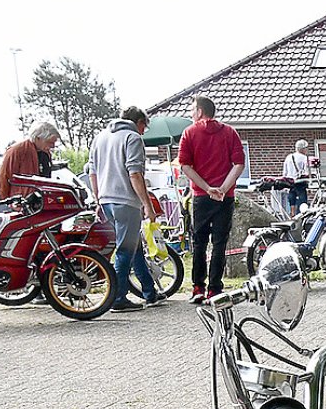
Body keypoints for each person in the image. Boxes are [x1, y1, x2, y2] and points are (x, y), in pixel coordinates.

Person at [88, 106, 164, 312]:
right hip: (125, 201)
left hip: (106, 200)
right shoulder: (132, 138)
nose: (143, 132)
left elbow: (92, 172)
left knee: (134, 246)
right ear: (139, 122)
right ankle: (118, 297)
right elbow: (135, 174)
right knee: (124, 250)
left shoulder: (100, 137)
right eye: (144, 128)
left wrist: (98, 199)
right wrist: (147, 205)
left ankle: (149, 292)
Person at [176, 95, 245, 304]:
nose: (190, 114)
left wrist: (206, 188)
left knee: (199, 242)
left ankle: (198, 287)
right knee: (219, 243)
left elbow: (185, 165)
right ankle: (215, 289)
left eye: (191, 110)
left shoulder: (189, 133)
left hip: (200, 196)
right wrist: (223, 188)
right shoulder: (229, 132)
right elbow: (239, 163)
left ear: (199, 111)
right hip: (225, 197)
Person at [0, 122, 60, 198]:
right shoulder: (17, 151)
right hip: (22, 203)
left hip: (41, 201)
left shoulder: (45, 153)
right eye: (50, 142)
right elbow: (3, 177)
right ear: (38, 138)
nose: (53, 146)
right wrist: (5, 201)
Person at [282, 139, 313, 215]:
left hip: (290, 183)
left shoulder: (289, 157)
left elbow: (285, 173)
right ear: (303, 149)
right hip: (300, 184)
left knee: (292, 203)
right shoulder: (304, 158)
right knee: (302, 206)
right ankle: (301, 219)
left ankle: (292, 215)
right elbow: (307, 173)